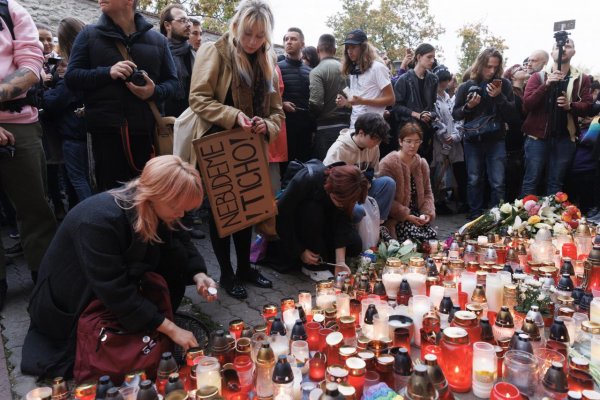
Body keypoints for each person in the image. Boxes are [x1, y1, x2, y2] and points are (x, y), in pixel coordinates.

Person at [22, 155, 216, 379]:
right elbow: (115, 291)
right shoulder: (98, 221)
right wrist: (172, 329)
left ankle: (149, 321)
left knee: (173, 262)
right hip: (73, 299)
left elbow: (178, 236)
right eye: (176, 208)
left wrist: (198, 274)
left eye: (186, 210)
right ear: (154, 194)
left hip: (105, 286)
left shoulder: (152, 204)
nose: (181, 215)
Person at [179, 0, 284, 299]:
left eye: (259, 36)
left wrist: (268, 125)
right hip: (216, 145)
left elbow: (277, 112)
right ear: (236, 26)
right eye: (248, 34)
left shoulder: (268, 60)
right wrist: (233, 115)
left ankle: (245, 269)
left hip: (250, 147)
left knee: (248, 210)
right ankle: (226, 272)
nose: (252, 42)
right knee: (223, 212)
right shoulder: (214, 50)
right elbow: (197, 99)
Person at [65, 0, 178, 191]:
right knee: (111, 198)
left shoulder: (158, 40)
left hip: (146, 135)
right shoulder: (88, 34)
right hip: (106, 136)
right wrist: (107, 72)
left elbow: (174, 83)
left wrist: (154, 92)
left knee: (147, 197)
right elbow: (72, 77)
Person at [0, 0, 57, 310]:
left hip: (19, 122)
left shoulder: (12, 11)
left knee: (34, 204)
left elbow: (30, 67)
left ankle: (44, 275)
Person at [520, 38, 593, 196]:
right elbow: (527, 105)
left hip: (565, 138)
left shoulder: (582, 78)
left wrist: (570, 106)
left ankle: (551, 218)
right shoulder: (537, 77)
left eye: (568, 46)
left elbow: (587, 105)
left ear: (574, 52)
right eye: (558, 46)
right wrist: (545, 85)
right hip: (537, 138)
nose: (563, 49)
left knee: (556, 183)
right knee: (531, 180)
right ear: (552, 53)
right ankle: (524, 219)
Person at [453, 47, 516, 220]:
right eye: (488, 66)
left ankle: (497, 217)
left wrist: (499, 97)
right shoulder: (467, 85)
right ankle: (475, 216)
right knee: (474, 179)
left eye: (495, 67)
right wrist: (469, 107)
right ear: (480, 65)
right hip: (473, 140)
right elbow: (455, 114)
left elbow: (512, 115)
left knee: (498, 182)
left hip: (496, 139)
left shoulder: (504, 85)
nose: (492, 71)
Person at [276, 163, 367, 279]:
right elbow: (282, 215)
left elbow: (342, 223)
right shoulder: (307, 180)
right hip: (298, 226)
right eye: (340, 202)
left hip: (324, 225)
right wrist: (300, 251)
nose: (342, 205)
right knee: (312, 209)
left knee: (355, 245)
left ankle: (324, 258)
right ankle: (313, 267)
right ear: (332, 190)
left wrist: (340, 261)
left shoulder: (347, 190)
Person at [42, 17, 93, 203]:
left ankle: (90, 219)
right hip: (91, 131)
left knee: (79, 180)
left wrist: (44, 89)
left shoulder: (75, 68)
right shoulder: (93, 58)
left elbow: (55, 101)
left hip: (75, 134)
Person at [323, 112, 395, 226]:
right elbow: (329, 183)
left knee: (388, 183)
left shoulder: (374, 148)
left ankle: (377, 226)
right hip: (345, 195)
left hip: (364, 189)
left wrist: (366, 184)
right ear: (361, 133)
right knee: (358, 211)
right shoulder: (338, 149)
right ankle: (353, 232)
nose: (377, 143)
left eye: (379, 140)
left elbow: (375, 174)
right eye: (375, 138)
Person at [379, 122, 436, 243]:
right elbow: (384, 198)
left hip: (417, 215)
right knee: (415, 240)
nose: (413, 145)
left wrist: (427, 213)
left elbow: (427, 192)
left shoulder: (421, 164)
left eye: (417, 142)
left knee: (431, 240)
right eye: (408, 141)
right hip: (396, 217)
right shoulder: (388, 163)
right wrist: (405, 215)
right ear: (400, 142)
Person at [335, 29, 394, 130]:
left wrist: (363, 101)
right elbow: (359, 104)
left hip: (372, 128)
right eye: (347, 47)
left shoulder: (377, 68)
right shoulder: (354, 69)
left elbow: (391, 99)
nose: (349, 51)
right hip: (354, 127)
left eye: (353, 47)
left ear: (363, 48)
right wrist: (347, 102)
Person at [392, 43, 438, 162]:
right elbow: (396, 106)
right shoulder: (404, 79)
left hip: (426, 131)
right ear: (418, 57)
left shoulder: (433, 79)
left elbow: (433, 105)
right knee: (407, 166)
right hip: (408, 130)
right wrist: (417, 114)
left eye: (433, 57)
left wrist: (431, 115)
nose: (432, 60)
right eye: (429, 57)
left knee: (425, 166)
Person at [308, 33, 350, 161]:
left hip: (326, 129)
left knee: (327, 171)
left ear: (317, 50)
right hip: (347, 127)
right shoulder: (347, 70)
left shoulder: (317, 71)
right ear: (335, 50)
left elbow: (316, 102)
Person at [431, 65, 466, 213]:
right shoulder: (432, 98)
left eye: (446, 80)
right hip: (440, 143)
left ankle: (457, 201)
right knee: (440, 172)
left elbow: (458, 116)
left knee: (456, 172)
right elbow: (434, 119)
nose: (444, 83)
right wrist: (444, 135)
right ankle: (439, 202)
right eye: (441, 80)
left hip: (455, 142)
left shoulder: (450, 99)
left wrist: (457, 135)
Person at [278, 27, 314, 167]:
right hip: (285, 127)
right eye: (286, 39)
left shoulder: (310, 72)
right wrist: (282, 103)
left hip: (306, 128)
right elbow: (267, 97)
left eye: (293, 39)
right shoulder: (276, 68)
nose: (289, 42)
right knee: (286, 168)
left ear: (302, 44)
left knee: (304, 168)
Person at [502, 64, 530, 202]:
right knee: (511, 172)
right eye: (519, 69)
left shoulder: (525, 91)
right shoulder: (510, 93)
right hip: (512, 137)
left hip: (522, 136)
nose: (524, 69)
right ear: (512, 76)